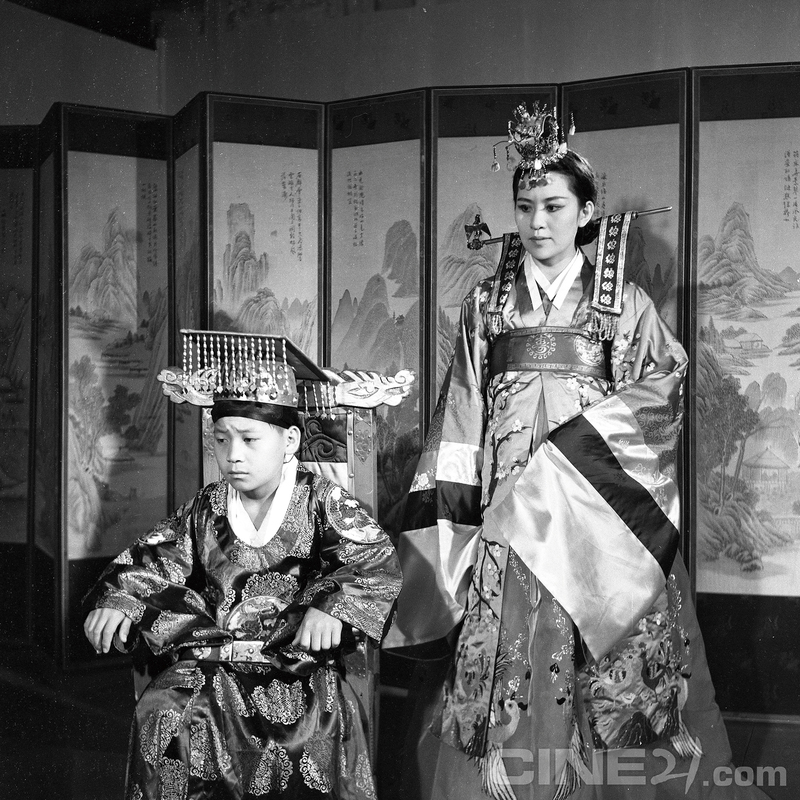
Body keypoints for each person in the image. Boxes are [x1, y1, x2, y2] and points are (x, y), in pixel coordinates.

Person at [384, 104, 769, 799]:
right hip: (509, 517)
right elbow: (462, 413)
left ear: (586, 212)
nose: (538, 223)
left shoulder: (623, 302)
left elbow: (663, 388)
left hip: (595, 521)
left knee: (609, 667)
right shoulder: (487, 305)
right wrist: (460, 517)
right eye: (525, 206)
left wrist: (570, 461)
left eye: (554, 207)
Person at [84, 331, 403, 800]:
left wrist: (333, 606)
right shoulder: (208, 506)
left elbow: (373, 559)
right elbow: (155, 559)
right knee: (162, 710)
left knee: (310, 731)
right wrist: (121, 598)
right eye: (221, 439)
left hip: (295, 669)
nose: (233, 455)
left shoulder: (321, 500)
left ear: (289, 440)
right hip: (213, 665)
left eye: (250, 439)